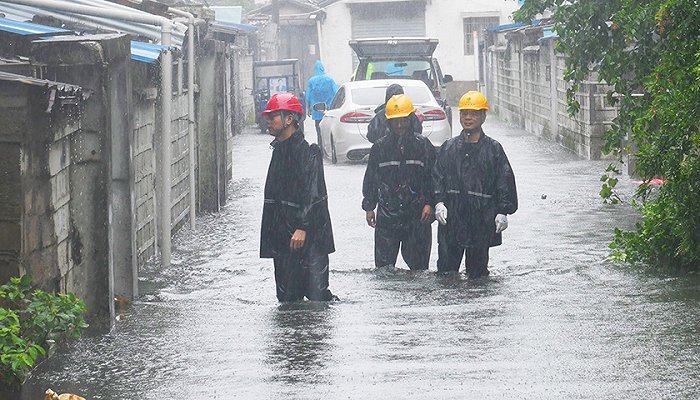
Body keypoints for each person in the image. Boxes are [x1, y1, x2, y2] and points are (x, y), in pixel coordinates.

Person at [260, 92, 338, 302]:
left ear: (289, 119)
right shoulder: (277, 152)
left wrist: (303, 227)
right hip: (283, 241)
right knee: (287, 302)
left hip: (311, 240)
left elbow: (315, 193)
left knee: (318, 300)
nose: (268, 120)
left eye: (273, 116)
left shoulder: (309, 153)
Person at [432, 91, 518, 278]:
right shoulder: (449, 148)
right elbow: (437, 177)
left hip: (481, 222)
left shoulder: (493, 149)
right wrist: (438, 202)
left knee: (478, 276)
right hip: (452, 222)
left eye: (473, 113)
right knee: (446, 275)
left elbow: (504, 181)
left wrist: (503, 211)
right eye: (464, 113)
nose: (468, 118)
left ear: (483, 117)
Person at [362, 94, 436, 270]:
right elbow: (372, 178)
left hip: (417, 216)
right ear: (389, 122)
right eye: (396, 121)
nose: (400, 125)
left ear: (410, 120)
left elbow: (434, 177)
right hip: (388, 216)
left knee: (419, 271)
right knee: (384, 271)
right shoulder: (380, 148)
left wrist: (430, 204)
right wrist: (369, 206)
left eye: (404, 120)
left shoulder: (423, 145)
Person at [305, 60, 338, 149]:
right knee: (329, 129)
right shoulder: (329, 79)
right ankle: (329, 146)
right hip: (329, 110)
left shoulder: (311, 81)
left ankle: (321, 146)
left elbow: (307, 96)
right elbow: (336, 92)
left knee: (319, 131)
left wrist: (308, 108)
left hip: (317, 111)